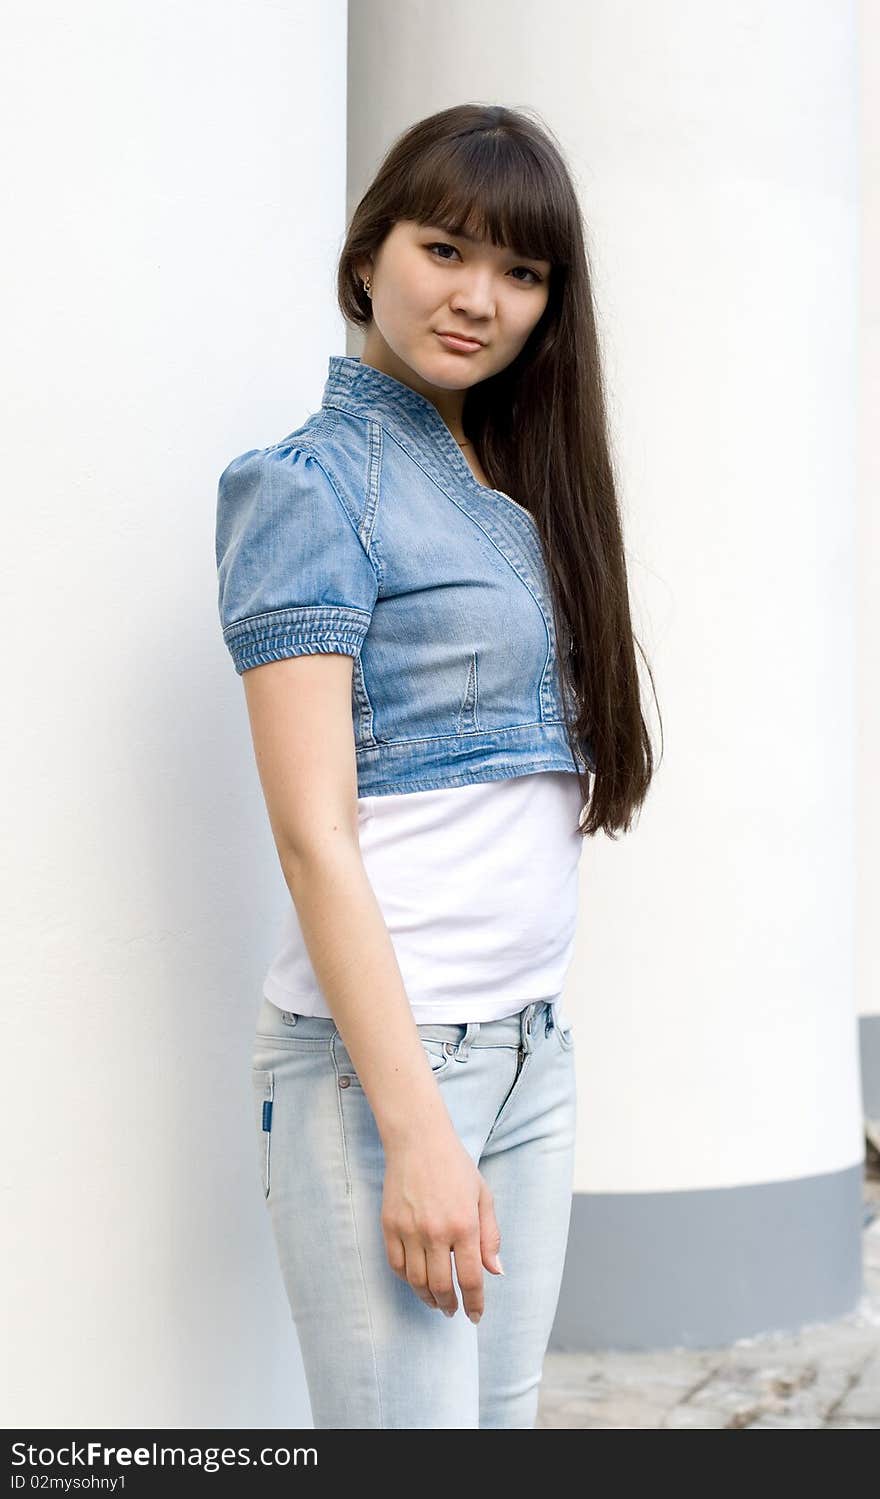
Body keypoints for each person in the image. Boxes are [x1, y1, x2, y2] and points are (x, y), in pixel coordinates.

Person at [215, 102, 659, 1430]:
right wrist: (414, 1128)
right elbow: (314, 837)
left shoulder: (517, 484)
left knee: (495, 1426)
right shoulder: (307, 486)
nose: (480, 298)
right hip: (382, 1075)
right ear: (369, 258)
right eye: (445, 249)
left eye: (522, 273)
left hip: (530, 1051)